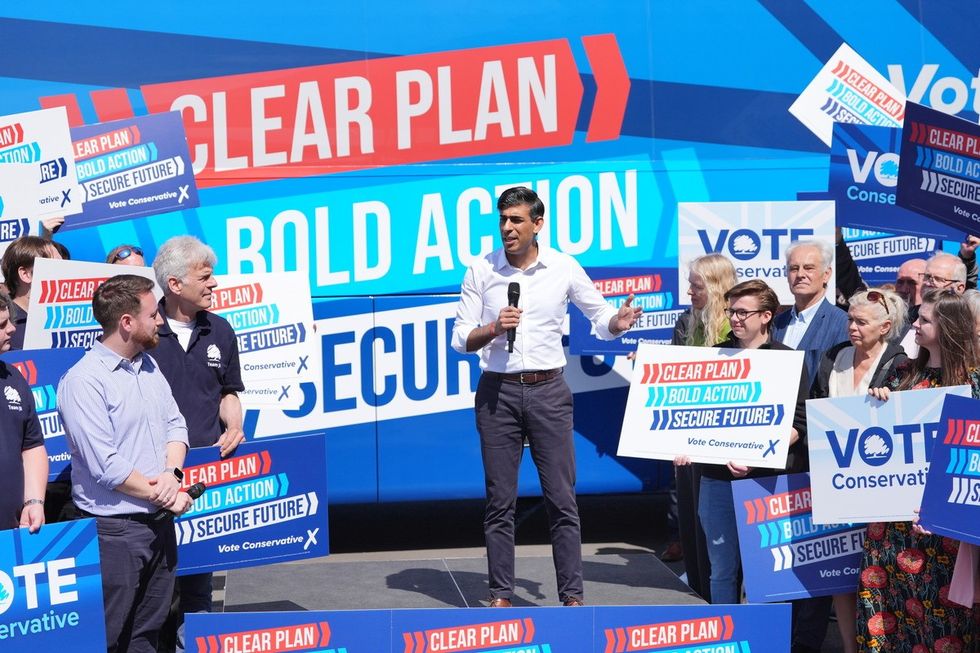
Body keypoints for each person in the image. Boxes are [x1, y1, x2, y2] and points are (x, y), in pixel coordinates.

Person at [450, 186, 642, 607]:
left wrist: (619, 321)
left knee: (561, 497)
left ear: (537, 224)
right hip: (497, 393)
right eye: (502, 220)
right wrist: (495, 328)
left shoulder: (563, 267)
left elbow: (600, 314)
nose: (507, 228)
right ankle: (501, 593)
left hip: (549, 391)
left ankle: (572, 596)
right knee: (500, 500)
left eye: (516, 220)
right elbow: (461, 338)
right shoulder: (481, 270)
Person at [57, 274, 193, 653]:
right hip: (115, 533)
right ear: (127, 323)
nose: (161, 321)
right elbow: (107, 466)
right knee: (107, 637)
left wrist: (173, 474)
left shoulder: (148, 366)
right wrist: (166, 495)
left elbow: (176, 425)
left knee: (147, 636)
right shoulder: (84, 381)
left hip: (158, 524)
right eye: (153, 314)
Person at [858, 288, 980, 650]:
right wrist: (877, 404)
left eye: (924, 320)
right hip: (891, 530)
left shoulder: (973, 387)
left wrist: (944, 510)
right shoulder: (902, 375)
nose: (914, 325)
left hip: (942, 533)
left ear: (949, 328)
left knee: (940, 628)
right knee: (886, 619)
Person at [676, 279, 809, 608]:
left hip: (767, 482)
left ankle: (765, 639)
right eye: (730, 311)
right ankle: (729, 633)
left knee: (765, 570)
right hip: (715, 480)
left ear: (766, 316)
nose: (734, 318)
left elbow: (799, 423)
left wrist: (756, 454)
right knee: (721, 569)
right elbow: (693, 414)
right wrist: (681, 444)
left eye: (742, 312)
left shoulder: (786, 359)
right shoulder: (713, 357)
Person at [151, 236, 244, 648]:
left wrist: (234, 424)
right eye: (205, 277)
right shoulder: (144, 330)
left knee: (198, 590)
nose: (214, 284)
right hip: (151, 480)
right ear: (174, 284)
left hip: (203, 477)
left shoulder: (220, 330)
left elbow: (228, 391)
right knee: (156, 592)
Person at [810, 288, 908, 653]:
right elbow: (816, 404)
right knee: (839, 571)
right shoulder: (835, 355)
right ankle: (850, 647)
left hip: (877, 484)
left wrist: (893, 398)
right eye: (850, 319)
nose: (851, 326)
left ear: (885, 327)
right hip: (834, 480)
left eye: (860, 321)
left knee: (875, 571)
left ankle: (881, 643)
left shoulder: (899, 361)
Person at [668, 254, 737, 599]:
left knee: (719, 526)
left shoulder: (733, 328)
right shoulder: (687, 323)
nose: (689, 291)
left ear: (715, 286)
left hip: (723, 442)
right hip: (688, 438)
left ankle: (720, 589)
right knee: (692, 514)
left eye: (696, 285)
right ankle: (699, 581)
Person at [0, 289, 47, 532]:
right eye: (1, 324)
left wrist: (34, 501)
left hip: (14, 532)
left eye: (10, 321)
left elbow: (32, 446)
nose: (12, 329)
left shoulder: (13, 377)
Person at [772, 240, 849, 385]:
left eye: (809, 268)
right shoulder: (776, 324)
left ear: (826, 274)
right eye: (794, 268)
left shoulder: (843, 324)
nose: (800, 274)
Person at [0, 235, 63, 350]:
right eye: (57, 266)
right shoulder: (7, 326)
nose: (66, 272)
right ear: (26, 274)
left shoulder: (66, 318)